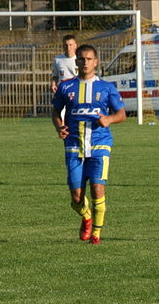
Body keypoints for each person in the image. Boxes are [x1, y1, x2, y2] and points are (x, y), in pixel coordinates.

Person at [51, 44, 127, 245]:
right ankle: (86, 217)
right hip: (74, 145)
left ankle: (96, 235)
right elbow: (55, 112)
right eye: (82, 59)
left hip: (99, 144)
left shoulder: (106, 87)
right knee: (76, 199)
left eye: (89, 59)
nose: (85, 62)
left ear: (96, 62)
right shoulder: (66, 87)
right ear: (76, 62)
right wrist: (60, 127)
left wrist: (109, 119)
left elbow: (121, 114)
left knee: (97, 189)